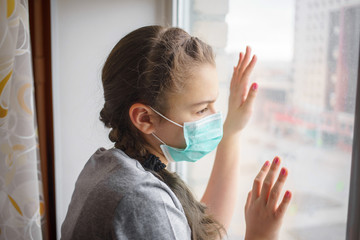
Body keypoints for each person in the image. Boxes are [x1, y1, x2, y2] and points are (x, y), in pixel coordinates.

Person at [60, 25, 292, 240]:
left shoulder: (106, 165)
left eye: (214, 104)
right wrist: (259, 235)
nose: (214, 118)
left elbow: (202, 233)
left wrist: (232, 130)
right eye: (201, 109)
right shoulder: (141, 200)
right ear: (144, 118)